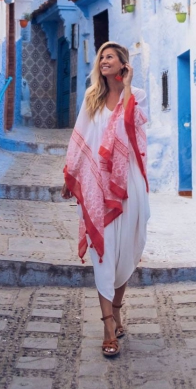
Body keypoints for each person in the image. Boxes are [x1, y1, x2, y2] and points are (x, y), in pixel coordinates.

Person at [62, 42, 149, 357]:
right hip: (99, 186)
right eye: (101, 57)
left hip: (129, 184)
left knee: (126, 252)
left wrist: (126, 88)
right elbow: (80, 137)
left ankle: (117, 310)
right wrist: (70, 175)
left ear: (124, 64)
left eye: (110, 57)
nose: (103, 61)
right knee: (104, 252)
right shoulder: (92, 99)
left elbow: (131, 128)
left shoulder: (135, 97)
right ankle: (108, 327)